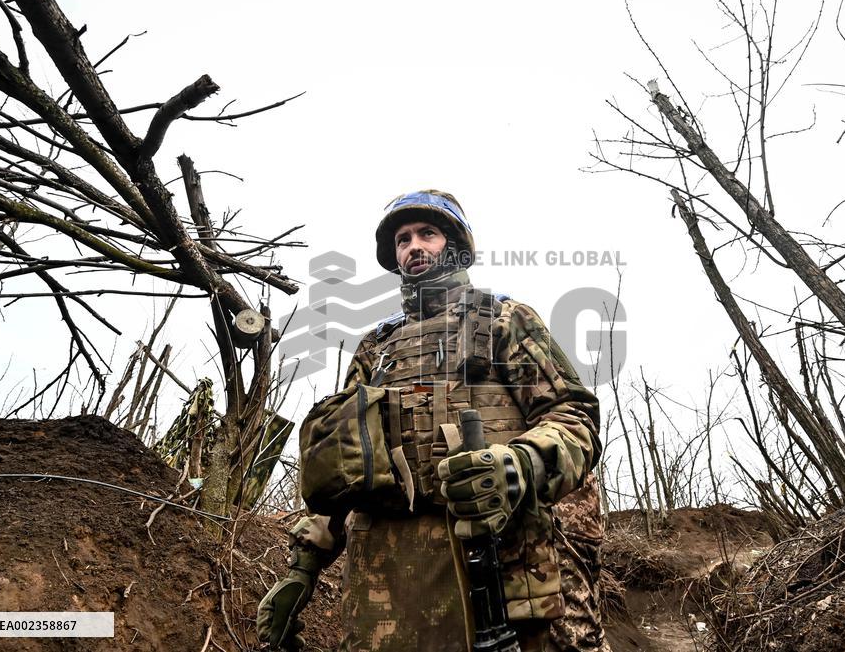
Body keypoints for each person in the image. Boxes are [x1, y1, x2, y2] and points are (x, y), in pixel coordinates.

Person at [258, 190, 609, 651]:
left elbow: (573, 415)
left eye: (428, 233)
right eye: (403, 239)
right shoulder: (376, 347)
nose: (414, 247)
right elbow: (345, 465)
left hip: (498, 557)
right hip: (384, 588)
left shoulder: (504, 321)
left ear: (455, 246)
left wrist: (517, 464)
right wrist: (302, 568)